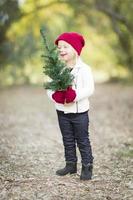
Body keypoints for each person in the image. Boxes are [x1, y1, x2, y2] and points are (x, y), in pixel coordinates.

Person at [47, 32, 94, 180]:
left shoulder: (84, 69)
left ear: (75, 49)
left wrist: (74, 96)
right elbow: (49, 87)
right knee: (67, 139)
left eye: (65, 47)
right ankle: (70, 164)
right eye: (59, 47)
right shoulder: (57, 69)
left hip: (80, 113)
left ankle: (87, 166)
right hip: (62, 111)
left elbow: (89, 89)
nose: (61, 50)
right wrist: (54, 96)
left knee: (82, 140)